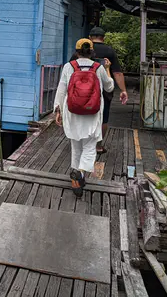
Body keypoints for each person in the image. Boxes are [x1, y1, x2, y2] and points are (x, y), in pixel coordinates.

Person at [55, 38, 115, 197]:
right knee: (90, 146)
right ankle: (80, 173)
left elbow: (61, 89)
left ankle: (76, 182)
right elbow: (109, 86)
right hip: (92, 112)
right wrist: (108, 69)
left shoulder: (69, 67)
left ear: (77, 51)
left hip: (72, 112)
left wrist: (58, 110)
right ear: (92, 51)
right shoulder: (98, 67)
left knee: (76, 146)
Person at [69, 26, 128, 154]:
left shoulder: (81, 50)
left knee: (81, 114)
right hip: (103, 90)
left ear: (90, 37)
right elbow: (117, 73)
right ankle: (98, 146)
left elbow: (70, 70)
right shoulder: (109, 51)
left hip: (81, 90)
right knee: (103, 117)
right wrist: (123, 90)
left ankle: (81, 143)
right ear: (103, 38)